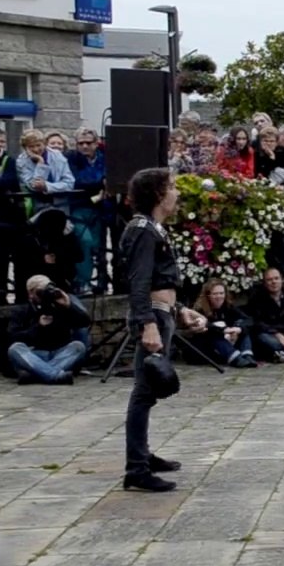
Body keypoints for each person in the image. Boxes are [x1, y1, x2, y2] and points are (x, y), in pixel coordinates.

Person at [119, 168, 204, 492]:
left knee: (148, 392)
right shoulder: (143, 230)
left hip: (162, 312)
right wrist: (148, 324)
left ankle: (142, 455)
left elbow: (158, 280)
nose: (177, 193)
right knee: (143, 393)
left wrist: (179, 310)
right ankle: (136, 468)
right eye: (171, 187)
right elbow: (139, 283)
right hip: (152, 316)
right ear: (157, 194)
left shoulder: (152, 228)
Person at [6, 274, 91, 384]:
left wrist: (69, 305)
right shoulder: (22, 310)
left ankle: (36, 375)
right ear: (30, 293)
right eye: (40, 292)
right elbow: (13, 336)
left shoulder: (59, 305)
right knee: (15, 349)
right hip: (34, 355)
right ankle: (55, 375)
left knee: (78, 347)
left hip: (59, 354)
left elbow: (84, 322)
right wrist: (38, 327)